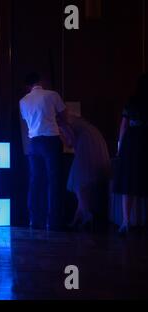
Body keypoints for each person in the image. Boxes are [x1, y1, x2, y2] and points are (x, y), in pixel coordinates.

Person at [20, 72, 68, 231]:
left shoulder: (23, 101)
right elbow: (64, 118)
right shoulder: (52, 95)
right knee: (54, 181)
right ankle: (53, 221)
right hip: (50, 140)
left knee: (35, 181)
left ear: (28, 86)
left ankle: (34, 219)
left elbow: (27, 120)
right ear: (41, 81)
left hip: (33, 142)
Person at [61, 114, 111, 229]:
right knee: (82, 185)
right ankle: (76, 220)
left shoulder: (60, 120)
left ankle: (87, 215)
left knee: (79, 183)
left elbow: (71, 141)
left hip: (86, 144)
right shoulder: (71, 118)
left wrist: (61, 138)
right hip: (94, 140)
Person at [114, 73, 148, 234]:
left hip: (131, 142)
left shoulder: (132, 101)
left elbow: (124, 126)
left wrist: (120, 146)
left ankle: (126, 221)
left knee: (128, 182)